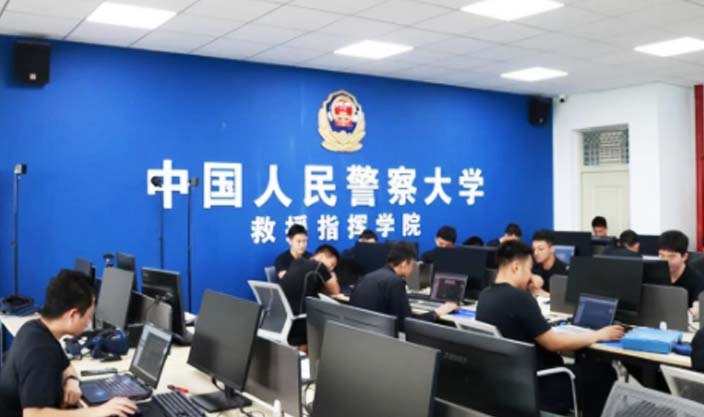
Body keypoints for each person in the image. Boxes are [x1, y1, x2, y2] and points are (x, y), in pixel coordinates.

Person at [476, 241, 623, 417]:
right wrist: (597, 335)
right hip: (542, 383)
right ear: (516, 267)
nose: (530, 276)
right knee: (603, 374)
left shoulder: (485, 296)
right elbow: (554, 343)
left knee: (588, 370)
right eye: (529, 269)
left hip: (511, 384)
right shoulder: (519, 298)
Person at [0, 269, 138, 417]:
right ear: (72, 315)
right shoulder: (42, 351)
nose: (88, 323)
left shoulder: (35, 329)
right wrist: (97, 411)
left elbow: (66, 365)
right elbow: (33, 414)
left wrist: (71, 380)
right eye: (88, 316)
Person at [350, 241, 457, 332]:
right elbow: (408, 325)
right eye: (413, 264)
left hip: (363, 334)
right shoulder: (395, 282)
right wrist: (437, 312)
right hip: (384, 341)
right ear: (404, 263)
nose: (414, 269)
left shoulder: (369, 277)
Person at [658, 230, 704, 308]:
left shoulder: (697, 281)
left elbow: (697, 308)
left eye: (671, 256)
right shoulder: (653, 274)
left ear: (684, 257)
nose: (665, 261)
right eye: (662, 255)